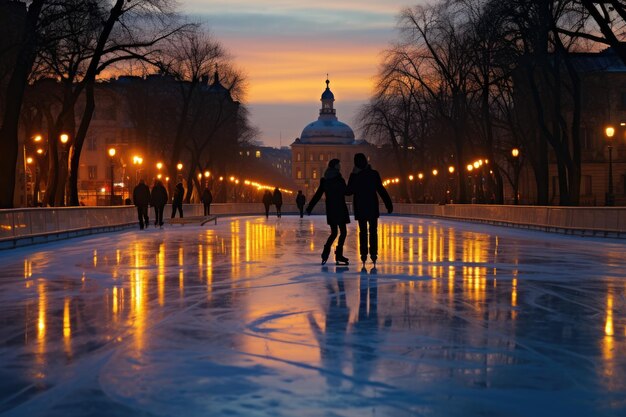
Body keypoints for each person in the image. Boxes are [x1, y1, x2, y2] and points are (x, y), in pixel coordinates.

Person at [346, 153, 393, 267]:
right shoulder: (374, 174)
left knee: (363, 232)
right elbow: (381, 190)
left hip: (361, 207)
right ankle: (373, 253)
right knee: (373, 232)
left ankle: (363, 254)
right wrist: (388, 204)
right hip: (372, 206)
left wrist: (353, 175)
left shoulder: (355, 176)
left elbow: (349, 192)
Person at [306, 159, 350, 265]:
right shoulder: (339, 179)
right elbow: (347, 192)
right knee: (343, 232)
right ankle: (339, 255)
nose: (340, 165)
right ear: (335, 166)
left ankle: (325, 253)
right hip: (340, 208)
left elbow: (318, 195)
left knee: (334, 232)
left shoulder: (325, 180)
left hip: (331, 209)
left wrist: (310, 207)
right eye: (339, 164)